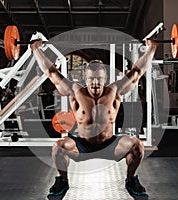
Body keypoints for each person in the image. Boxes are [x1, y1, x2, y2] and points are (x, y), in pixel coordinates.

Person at [30, 39, 158, 197]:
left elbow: (137, 73)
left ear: (105, 78)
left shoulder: (115, 91)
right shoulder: (75, 91)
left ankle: (131, 180)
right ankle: (62, 181)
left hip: (110, 145)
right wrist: (35, 49)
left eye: (99, 78)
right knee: (58, 147)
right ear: (85, 78)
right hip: (82, 145)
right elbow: (51, 73)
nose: (95, 83)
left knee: (137, 145)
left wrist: (152, 49)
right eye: (91, 79)